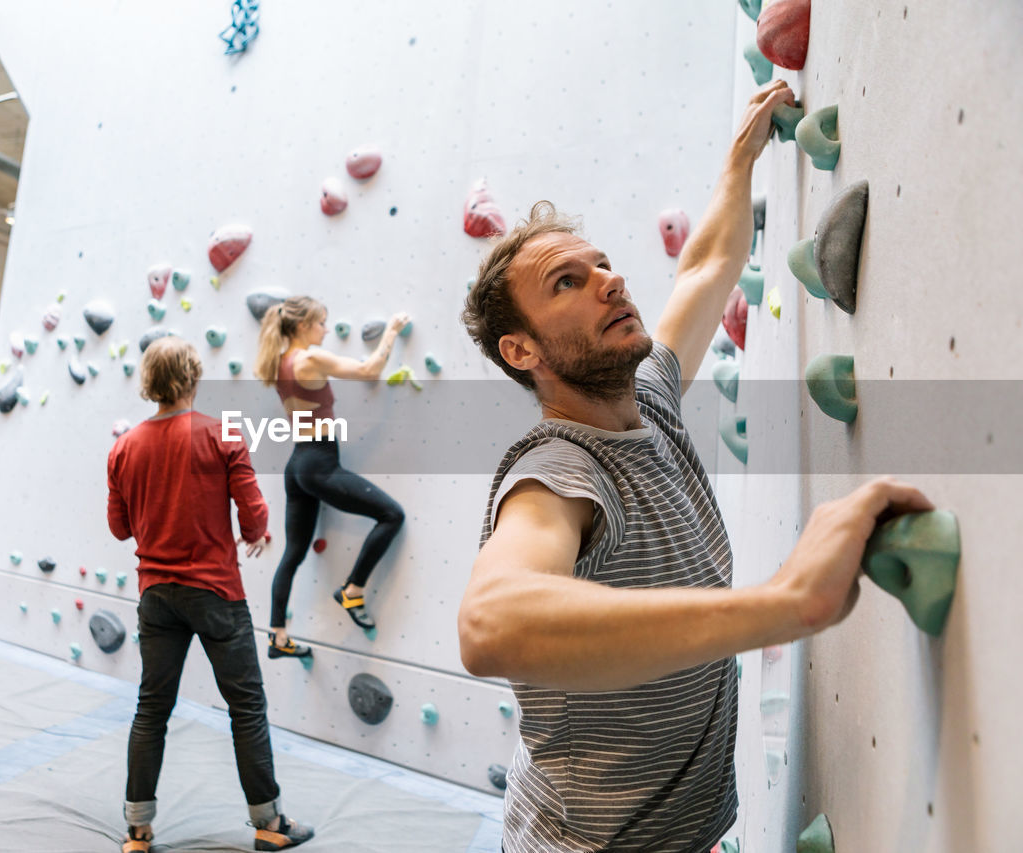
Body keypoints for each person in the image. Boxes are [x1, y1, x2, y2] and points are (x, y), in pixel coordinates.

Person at [457, 79, 933, 852]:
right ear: (523, 351)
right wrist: (786, 601)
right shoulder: (557, 473)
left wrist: (738, 163)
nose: (610, 279)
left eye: (602, 263)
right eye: (567, 282)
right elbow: (489, 621)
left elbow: (707, 266)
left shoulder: (647, 395)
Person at [107, 336, 313, 852]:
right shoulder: (221, 437)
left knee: (150, 709)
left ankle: (137, 830)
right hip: (217, 592)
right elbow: (256, 514)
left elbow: (119, 528)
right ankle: (268, 825)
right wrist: (253, 534)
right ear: (194, 378)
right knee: (245, 708)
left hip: (156, 594)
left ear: (149, 383)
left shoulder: (124, 447)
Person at [254, 297, 408, 658]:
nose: (325, 329)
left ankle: (277, 637)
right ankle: (352, 590)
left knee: (293, 553)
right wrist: (393, 331)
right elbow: (370, 370)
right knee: (392, 515)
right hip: (319, 464)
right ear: (303, 325)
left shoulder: (279, 362)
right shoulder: (309, 358)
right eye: (321, 322)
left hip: (298, 465)